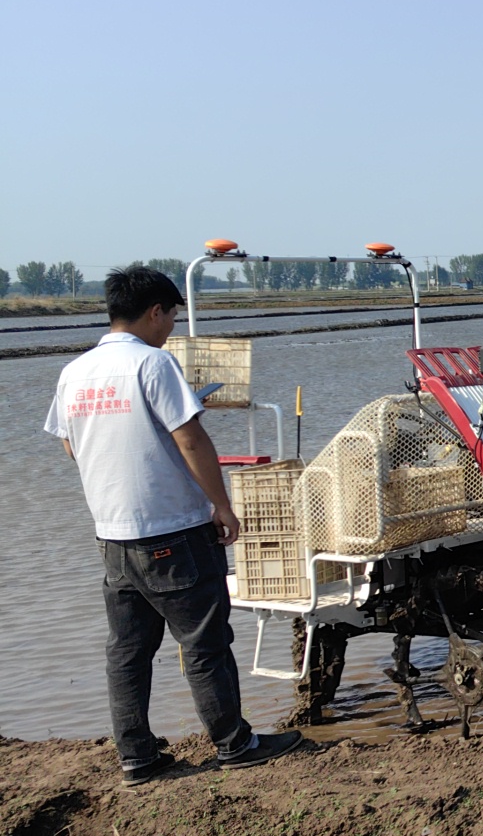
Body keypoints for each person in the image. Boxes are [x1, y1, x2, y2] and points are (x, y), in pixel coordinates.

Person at [45, 266, 303, 784]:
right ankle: (235, 743)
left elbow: (70, 444)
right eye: (170, 317)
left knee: (128, 651)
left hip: (113, 535)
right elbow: (190, 440)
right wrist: (222, 506)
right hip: (173, 531)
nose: (170, 328)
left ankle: (137, 757)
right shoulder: (153, 364)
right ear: (155, 311)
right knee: (204, 640)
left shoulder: (75, 370)